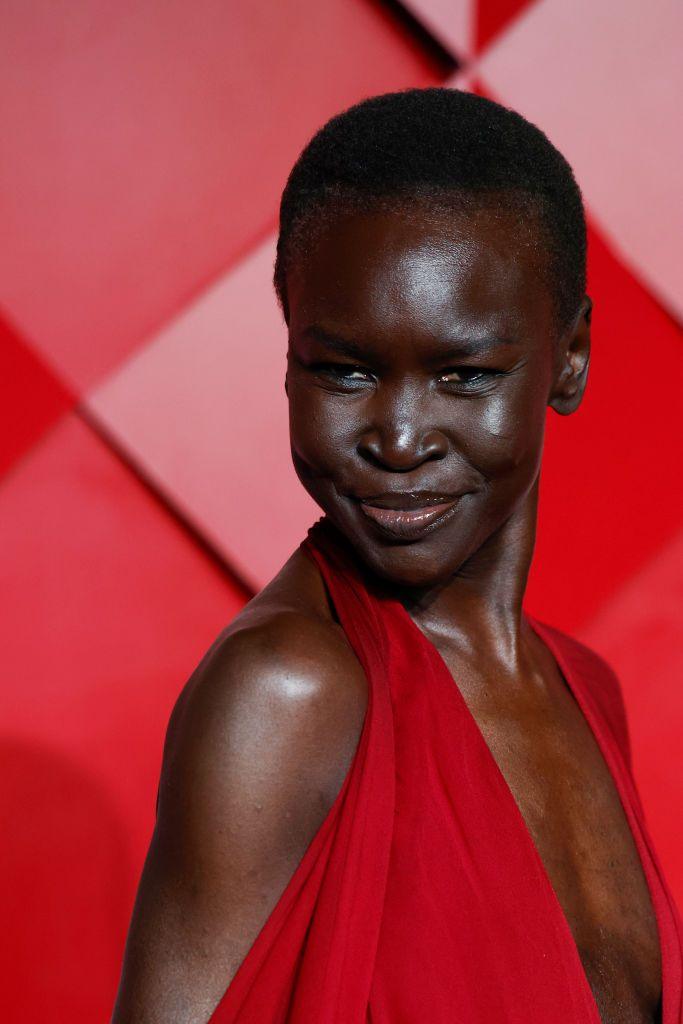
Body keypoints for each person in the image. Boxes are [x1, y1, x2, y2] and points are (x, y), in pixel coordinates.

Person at [111, 88, 682, 1024]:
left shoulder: (587, 691)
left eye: (464, 375)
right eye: (343, 370)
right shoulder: (285, 692)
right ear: (287, 353)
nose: (400, 438)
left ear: (568, 356)